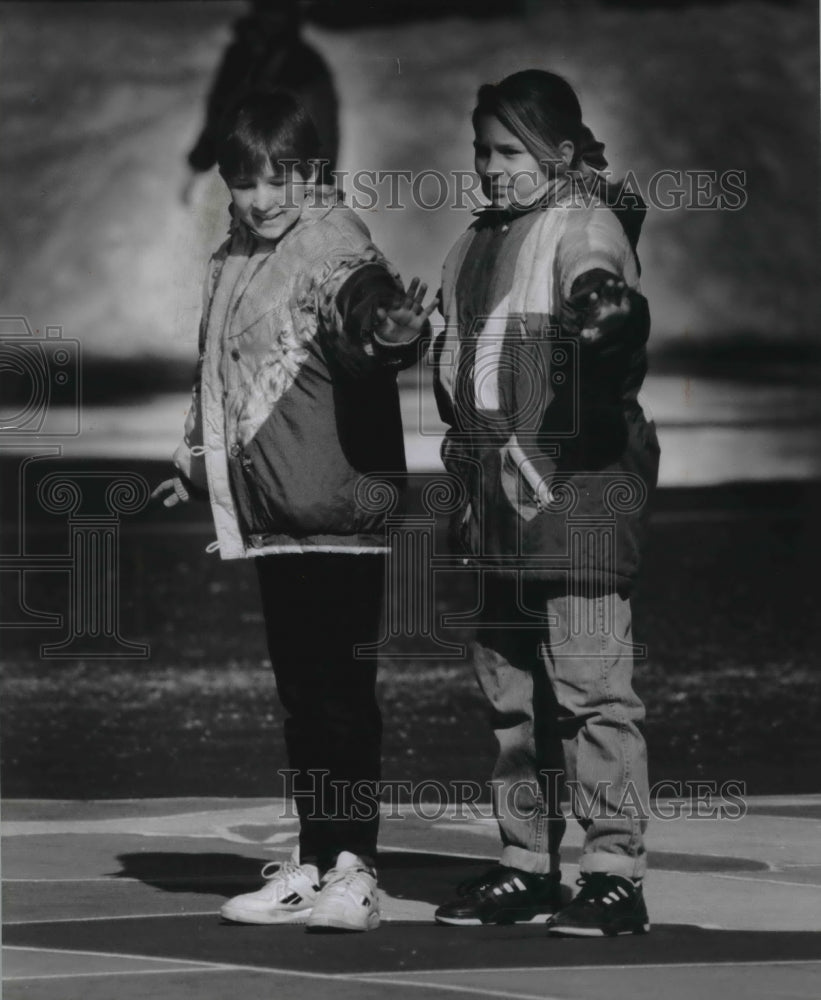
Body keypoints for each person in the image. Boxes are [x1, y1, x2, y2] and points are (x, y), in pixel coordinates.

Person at [153, 90, 433, 932]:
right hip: (279, 512)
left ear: (313, 174)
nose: (262, 199)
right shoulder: (234, 255)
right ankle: (314, 860)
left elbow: (362, 313)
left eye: (281, 180)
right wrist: (196, 461)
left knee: (341, 696)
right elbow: (226, 373)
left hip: (339, 510)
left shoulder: (333, 245)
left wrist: (392, 331)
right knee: (305, 696)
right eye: (245, 183)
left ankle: (355, 869)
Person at [431, 70, 660, 936]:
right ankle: (527, 862)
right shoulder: (473, 244)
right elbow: (463, 372)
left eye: (509, 151)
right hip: (497, 510)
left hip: (578, 498)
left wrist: (607, 306)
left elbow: (597, 280)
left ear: (559, 154)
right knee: (513, 699)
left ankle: (614, 870)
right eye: (481, 151)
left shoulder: (580, 222)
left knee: (592, 692)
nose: (491, 167)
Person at [181, 0, 338, 203]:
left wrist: (319, 187)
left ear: (291, 15)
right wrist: (198, 167)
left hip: (283, 179)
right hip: (234, 174)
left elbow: (323, 130)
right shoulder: (238, 56)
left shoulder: (308, 65)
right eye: (266, 8)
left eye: (279, 11)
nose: (271, 18)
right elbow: (218, 112)